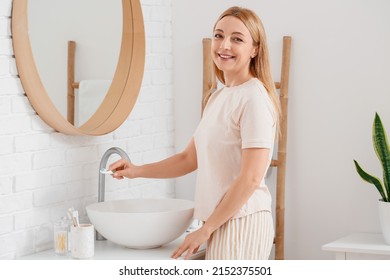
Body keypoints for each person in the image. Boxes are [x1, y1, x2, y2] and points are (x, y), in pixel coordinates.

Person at [109, 6, 281, 260]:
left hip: (242, 221)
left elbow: (251, 177)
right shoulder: (217, 97)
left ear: (255, 49)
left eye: (237, 39)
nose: (224, 45)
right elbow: (189, 159)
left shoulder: (253, 98)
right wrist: (136, 170)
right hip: (220, 221)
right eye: (219, 35)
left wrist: (207, 228)